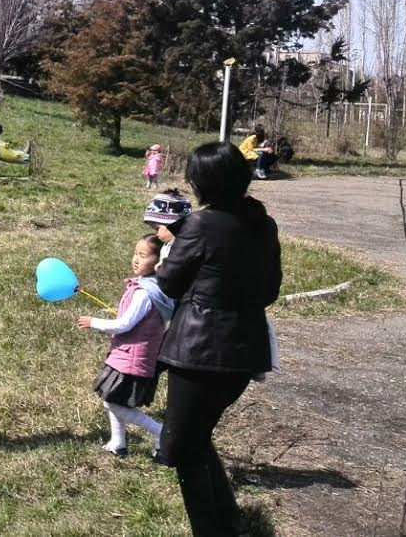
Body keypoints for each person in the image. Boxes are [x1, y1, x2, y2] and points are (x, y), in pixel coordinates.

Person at [154, 141, 281, 537]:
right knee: (198, 436)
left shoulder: (200, 224)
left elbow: (168, 283)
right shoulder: (263, 223)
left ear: (204, 184)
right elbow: (270, 290)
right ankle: (232, 521)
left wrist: (170, 248)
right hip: (245, 351)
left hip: (199, 352)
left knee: (183, 449)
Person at [78, 234, 174, 457]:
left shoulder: (145, 293)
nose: (136, 259)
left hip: (132, 359)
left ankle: (160, 432)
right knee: (112, 400)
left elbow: (124, 324)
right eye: (135, 253)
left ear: (159, 262)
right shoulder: (150, 287)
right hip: (127, 355)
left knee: (113, 403)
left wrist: (94, 322)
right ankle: (117, 442)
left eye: (143, 255)